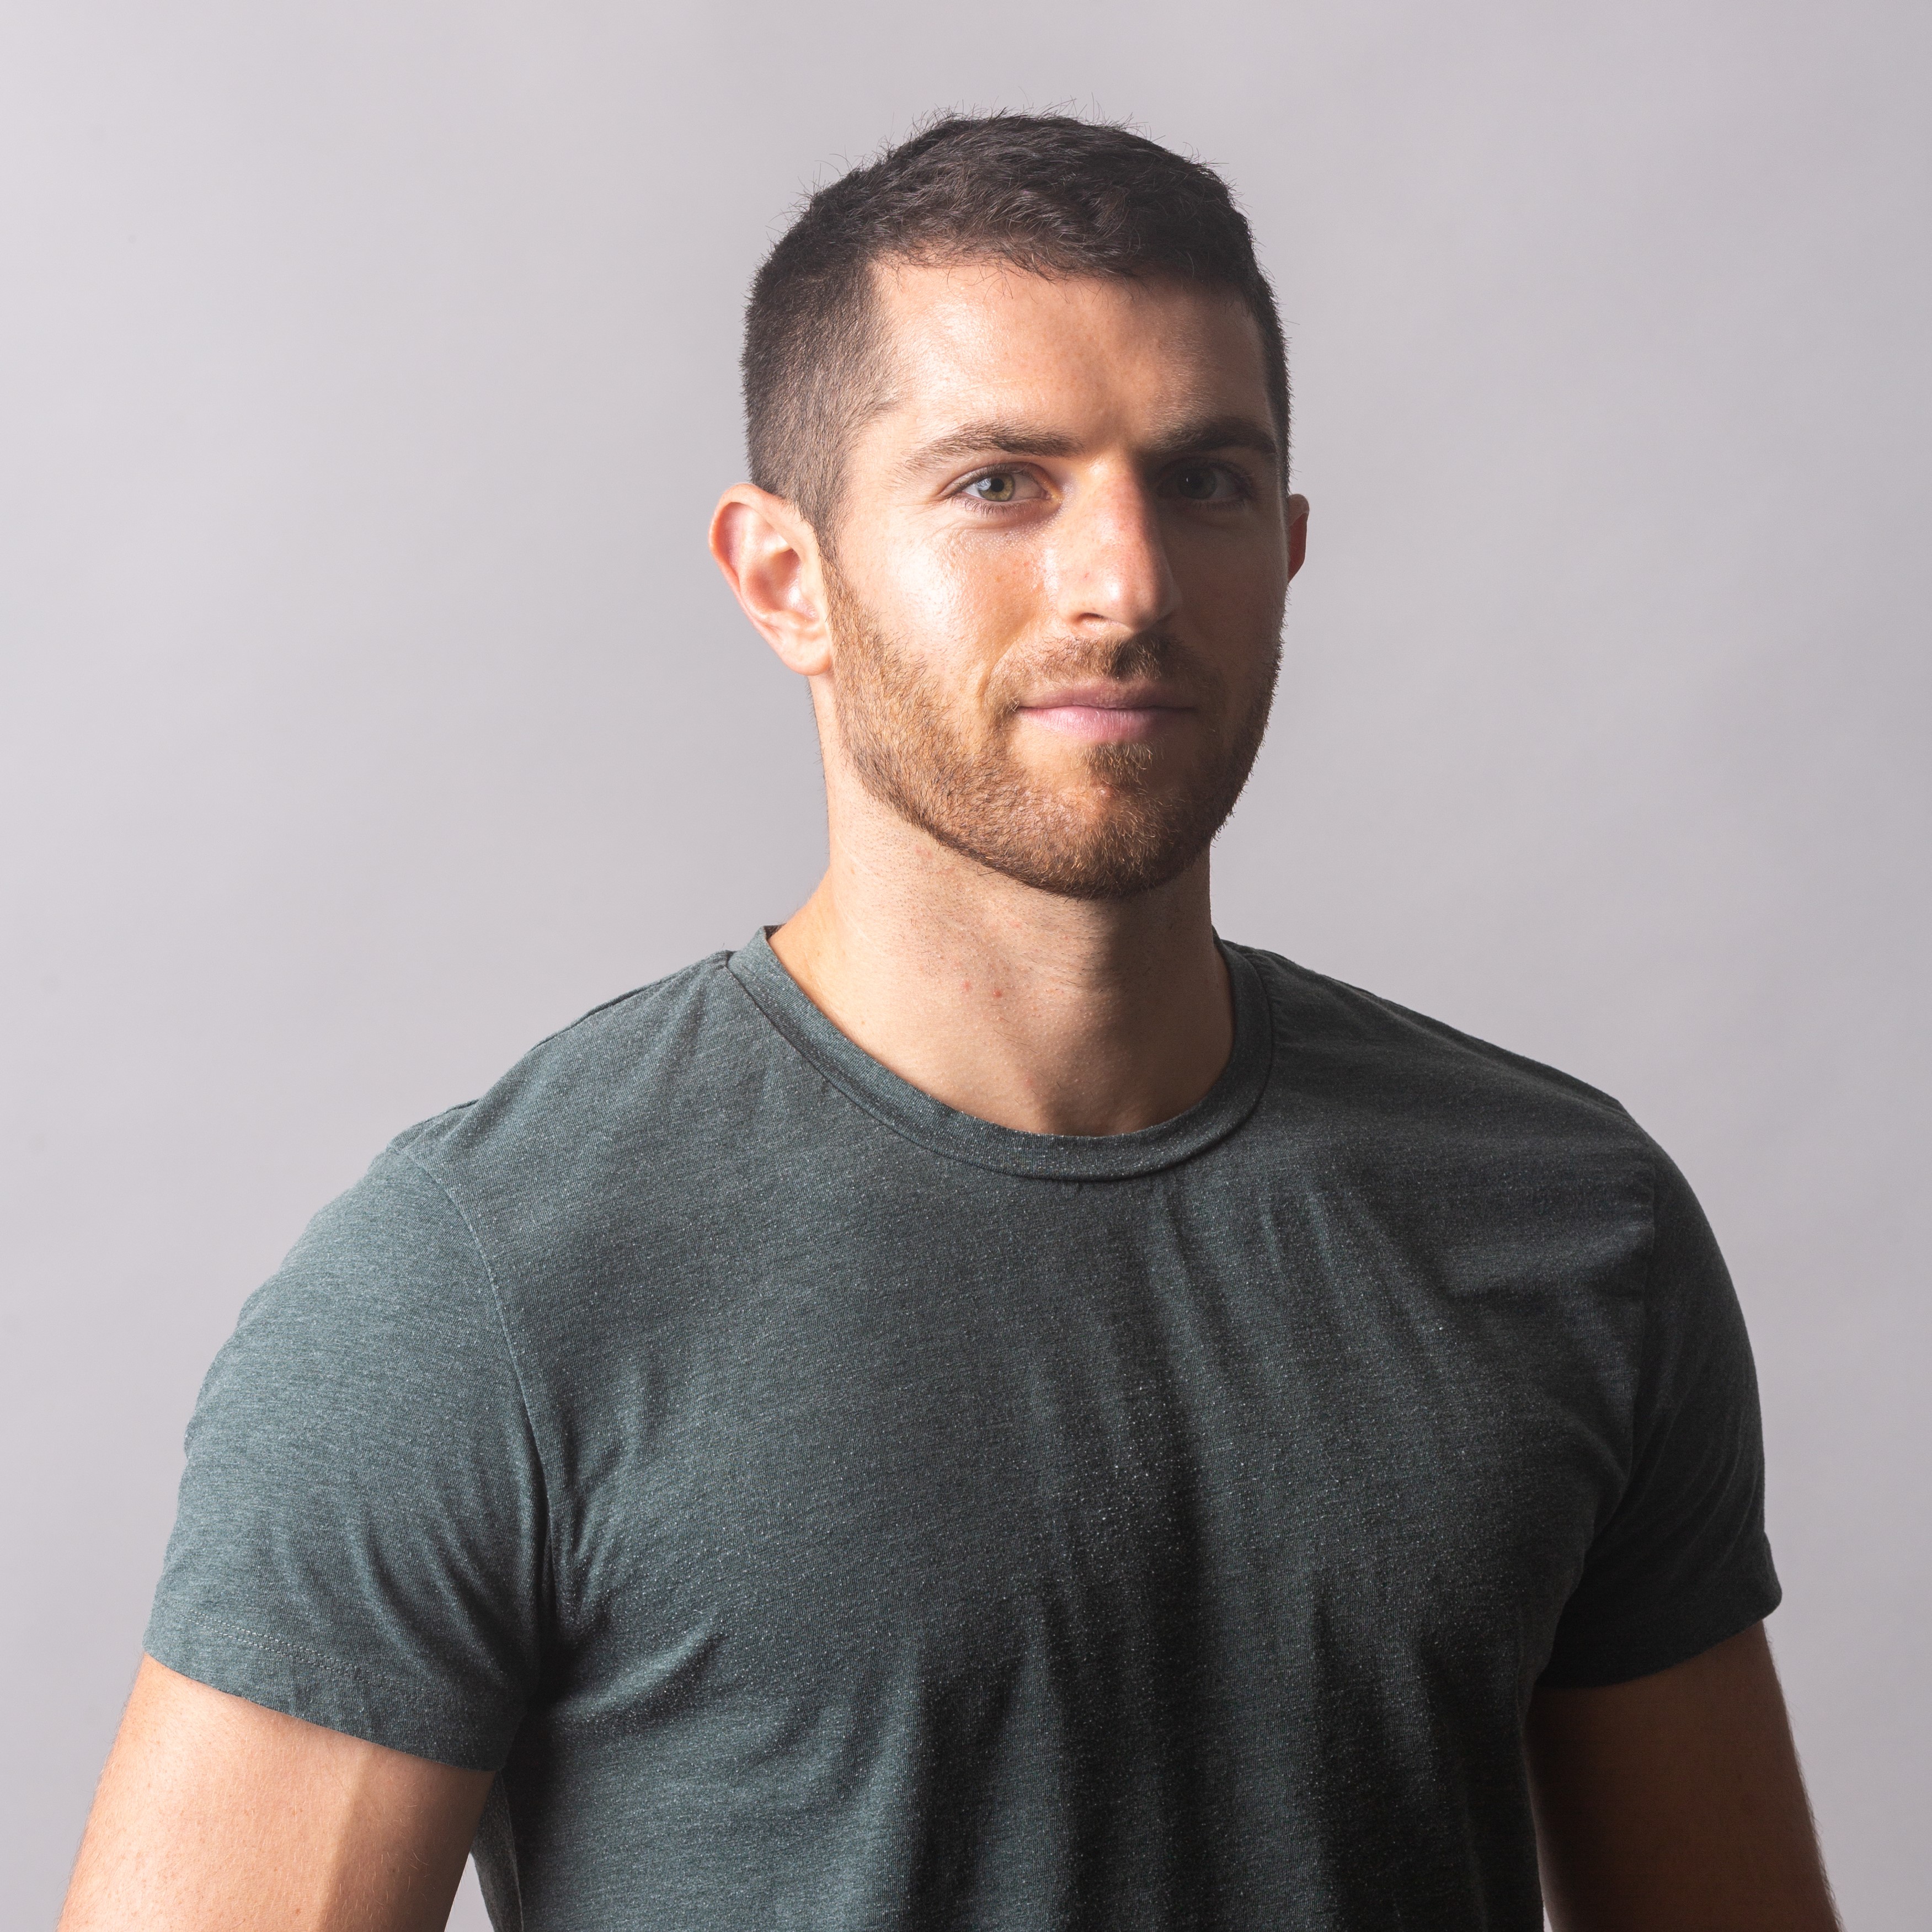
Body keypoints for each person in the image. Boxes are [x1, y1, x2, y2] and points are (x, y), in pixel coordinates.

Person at [60, 114, 1839, 1932]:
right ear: (787, 580)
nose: (1127, 584)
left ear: (1291, 546)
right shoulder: (481, 1291)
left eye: (1205, 482)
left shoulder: (1571, 1221)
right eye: (1003, 484)